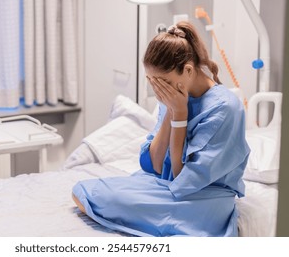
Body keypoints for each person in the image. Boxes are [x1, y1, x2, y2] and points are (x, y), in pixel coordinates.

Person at [72, 21, 250, 237]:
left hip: (204, 197)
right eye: (151, 81)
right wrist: (170, 111)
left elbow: (182, 178)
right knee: (84, 192)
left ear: (188, 70)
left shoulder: (225, 109)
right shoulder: (173, 97)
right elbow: (155, 164)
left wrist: (181, 115)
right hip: (166, 184)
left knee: (97, 198)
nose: (158, 89)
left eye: (162, 82)